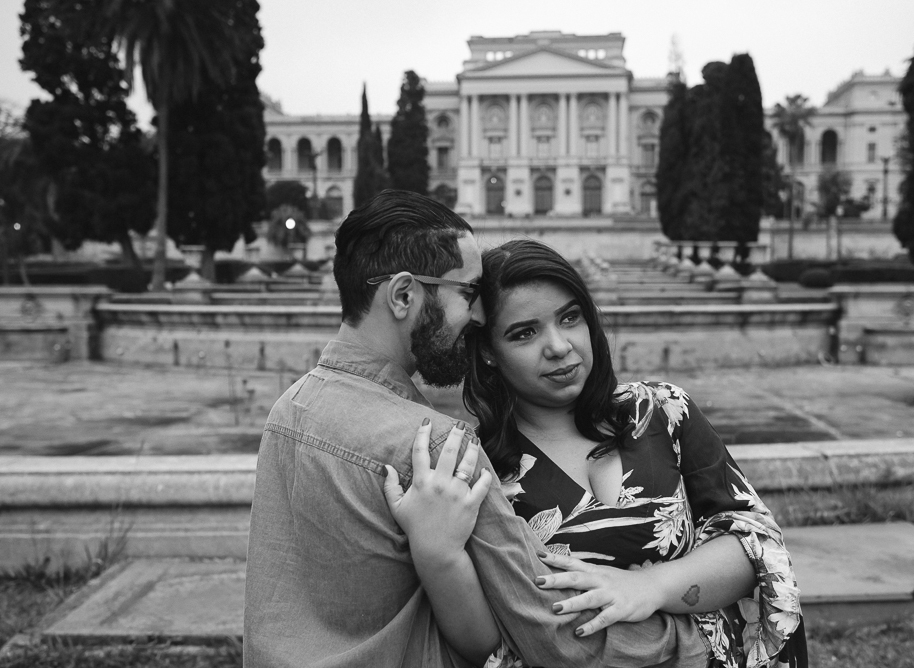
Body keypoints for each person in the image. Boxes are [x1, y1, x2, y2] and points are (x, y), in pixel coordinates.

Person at [244, 190, 716, 668]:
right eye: (468, 293)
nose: (478, 315)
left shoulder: (288, 412)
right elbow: (556, 634)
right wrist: (692, 638)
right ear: (404, 295)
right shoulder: (435, 446)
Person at [383, 238, 807, 668]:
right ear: (489, 352)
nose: (559, 346)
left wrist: (650, 587)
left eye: (570, 318)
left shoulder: (661, 409)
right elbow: (489, 642)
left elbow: (754, 541)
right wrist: (438, 555)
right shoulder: (481, 469)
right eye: (524, 332)